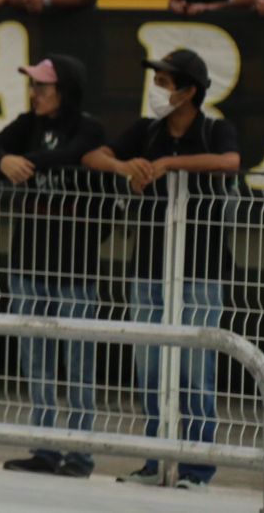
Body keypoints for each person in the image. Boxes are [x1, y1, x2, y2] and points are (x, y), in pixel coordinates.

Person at [84, 49, 241, 489]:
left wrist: (170, 165)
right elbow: (95, 156)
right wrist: (124, 165)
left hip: (201, 268)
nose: (157, 89)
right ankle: (156, 461)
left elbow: (230, 162)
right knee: (150, 367)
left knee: (194, 370)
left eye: (165, 82)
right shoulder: (146, 131)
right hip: (149, 266)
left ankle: (195, 466)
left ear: (190, 91)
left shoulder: (214, 129)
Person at [0, 55, 108, 478]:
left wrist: (8, 165)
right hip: (28, 262)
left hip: (76, 267)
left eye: (44, 88)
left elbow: (71, 155)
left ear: (65, 90)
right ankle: (45, 448)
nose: (36, 95)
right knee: (37, 359)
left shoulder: (88, 128)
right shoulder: (27, 124)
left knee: (79, 361)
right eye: (34, 87)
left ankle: (79, 453)